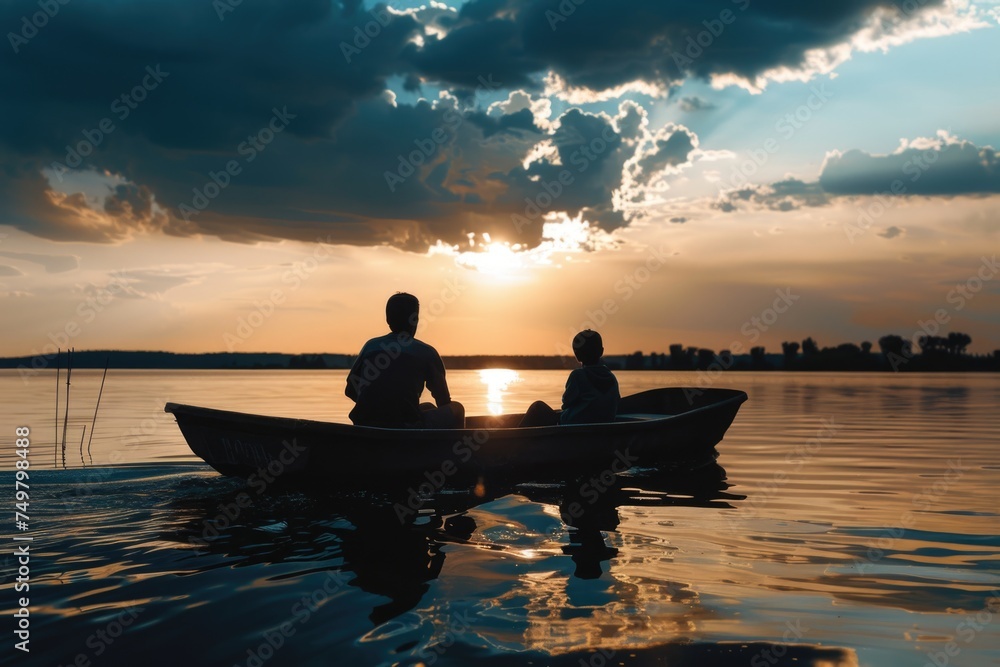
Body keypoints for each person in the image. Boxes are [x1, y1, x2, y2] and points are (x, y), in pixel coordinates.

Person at [345, 292, 465, 428]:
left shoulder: (370, 346)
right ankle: (453, 446)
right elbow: (443, 401)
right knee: (457, 408)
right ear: (415, 320)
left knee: (428, 406)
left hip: (364, 423)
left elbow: (350, 390)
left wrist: (380, 407)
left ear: (388, 320)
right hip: (405, 425)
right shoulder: (426, 352)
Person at [520, 329, 620, 427]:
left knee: (537, 407)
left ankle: (517, 437)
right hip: (604, 426)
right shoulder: (611, 377)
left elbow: (566, 403)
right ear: (601, 351)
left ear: (577, 356)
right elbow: (616, 401)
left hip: (574, 425)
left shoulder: (578, 375)